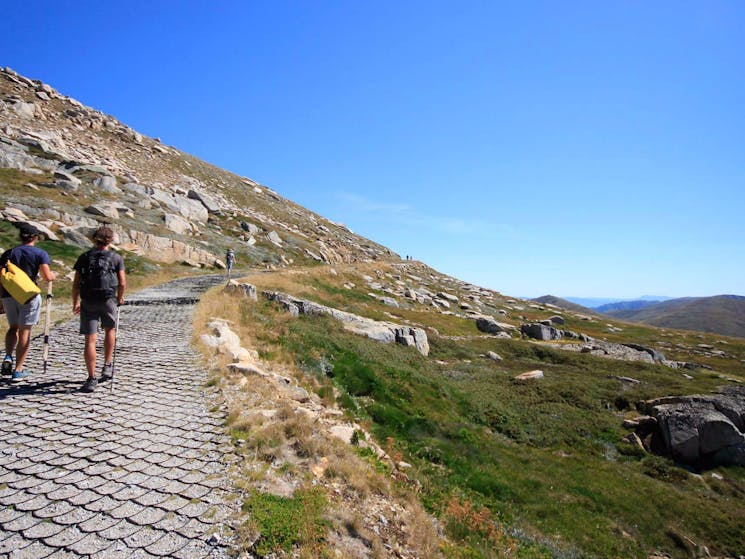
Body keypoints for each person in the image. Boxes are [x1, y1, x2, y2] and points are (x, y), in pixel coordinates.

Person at [72, 226, 126, 393]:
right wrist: (120, 297)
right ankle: (107, 365)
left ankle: (91, 378)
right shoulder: (116, 258)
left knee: (90, 339)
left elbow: (75, 283)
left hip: (88, 299)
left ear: (94, 239)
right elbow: (122, 282)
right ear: (111, 240)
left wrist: (75, 302)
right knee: (110, 330)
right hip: (108, 298)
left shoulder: (85, 257)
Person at [1, 223, 56, 382]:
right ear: (35, 237)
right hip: (29, 295)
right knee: (25, 331)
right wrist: (53, 276)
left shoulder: (9, 253)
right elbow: (46, 276)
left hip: (9, 294)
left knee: (13, 328)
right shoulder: (40, 253)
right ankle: (18, 369)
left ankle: (8, 356)